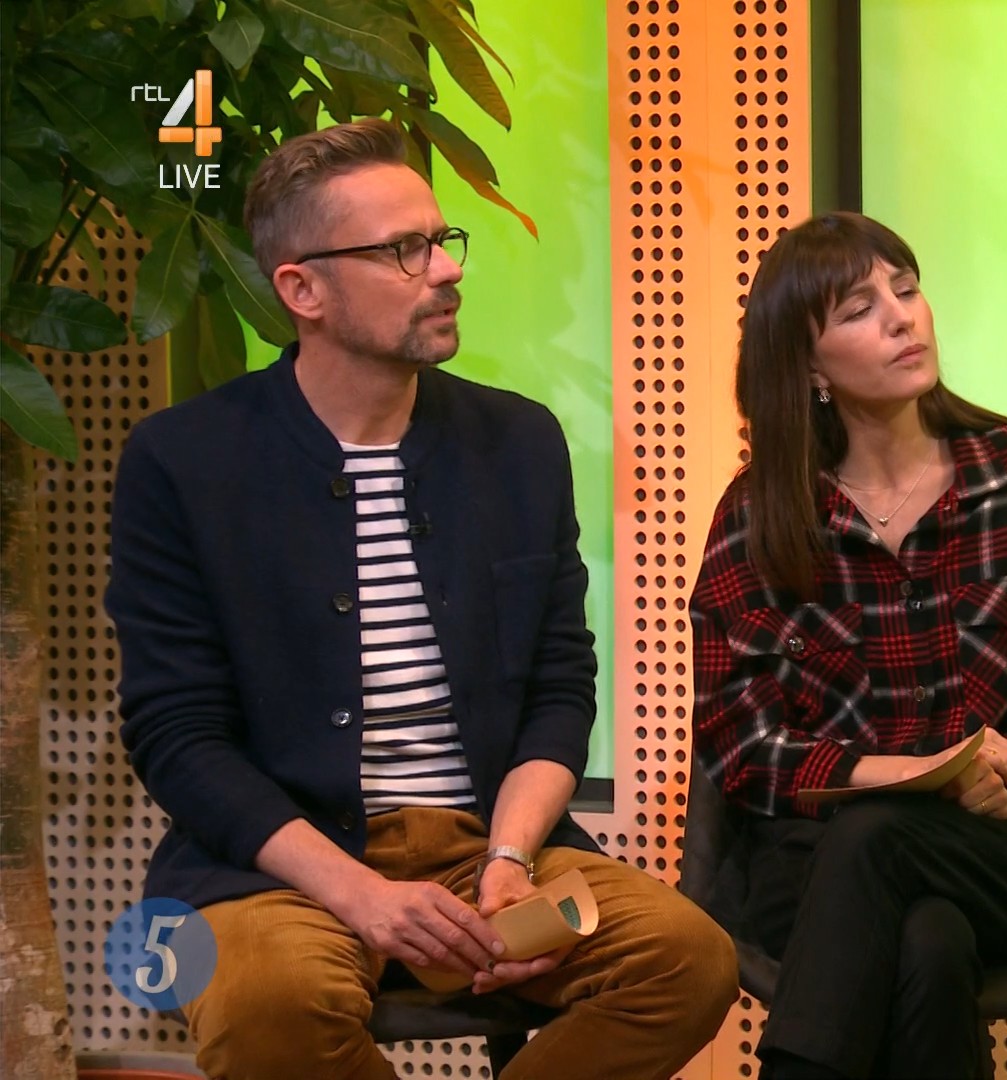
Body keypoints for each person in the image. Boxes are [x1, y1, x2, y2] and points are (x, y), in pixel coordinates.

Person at [105, 118, 736, 1080]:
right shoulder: (183, 461)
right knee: (271, 1006)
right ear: (302, 291)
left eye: (443, 241)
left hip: (488, 847)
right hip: (282, 866)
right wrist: (360, 894)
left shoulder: (518, 442)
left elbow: (560, 688)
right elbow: (178, 737)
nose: (446, 270)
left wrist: (510, 859)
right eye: (405, 249)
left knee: (686, 960)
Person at [690, 211, 1007, 1079]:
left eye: (906, 289)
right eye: (860, 308)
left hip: (999, 850)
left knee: (884, 847)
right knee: (926, 937)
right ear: (809, 366)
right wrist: (899, 774)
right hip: (810, 860)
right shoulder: (759, 515)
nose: (902, 317)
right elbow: (740, 743)